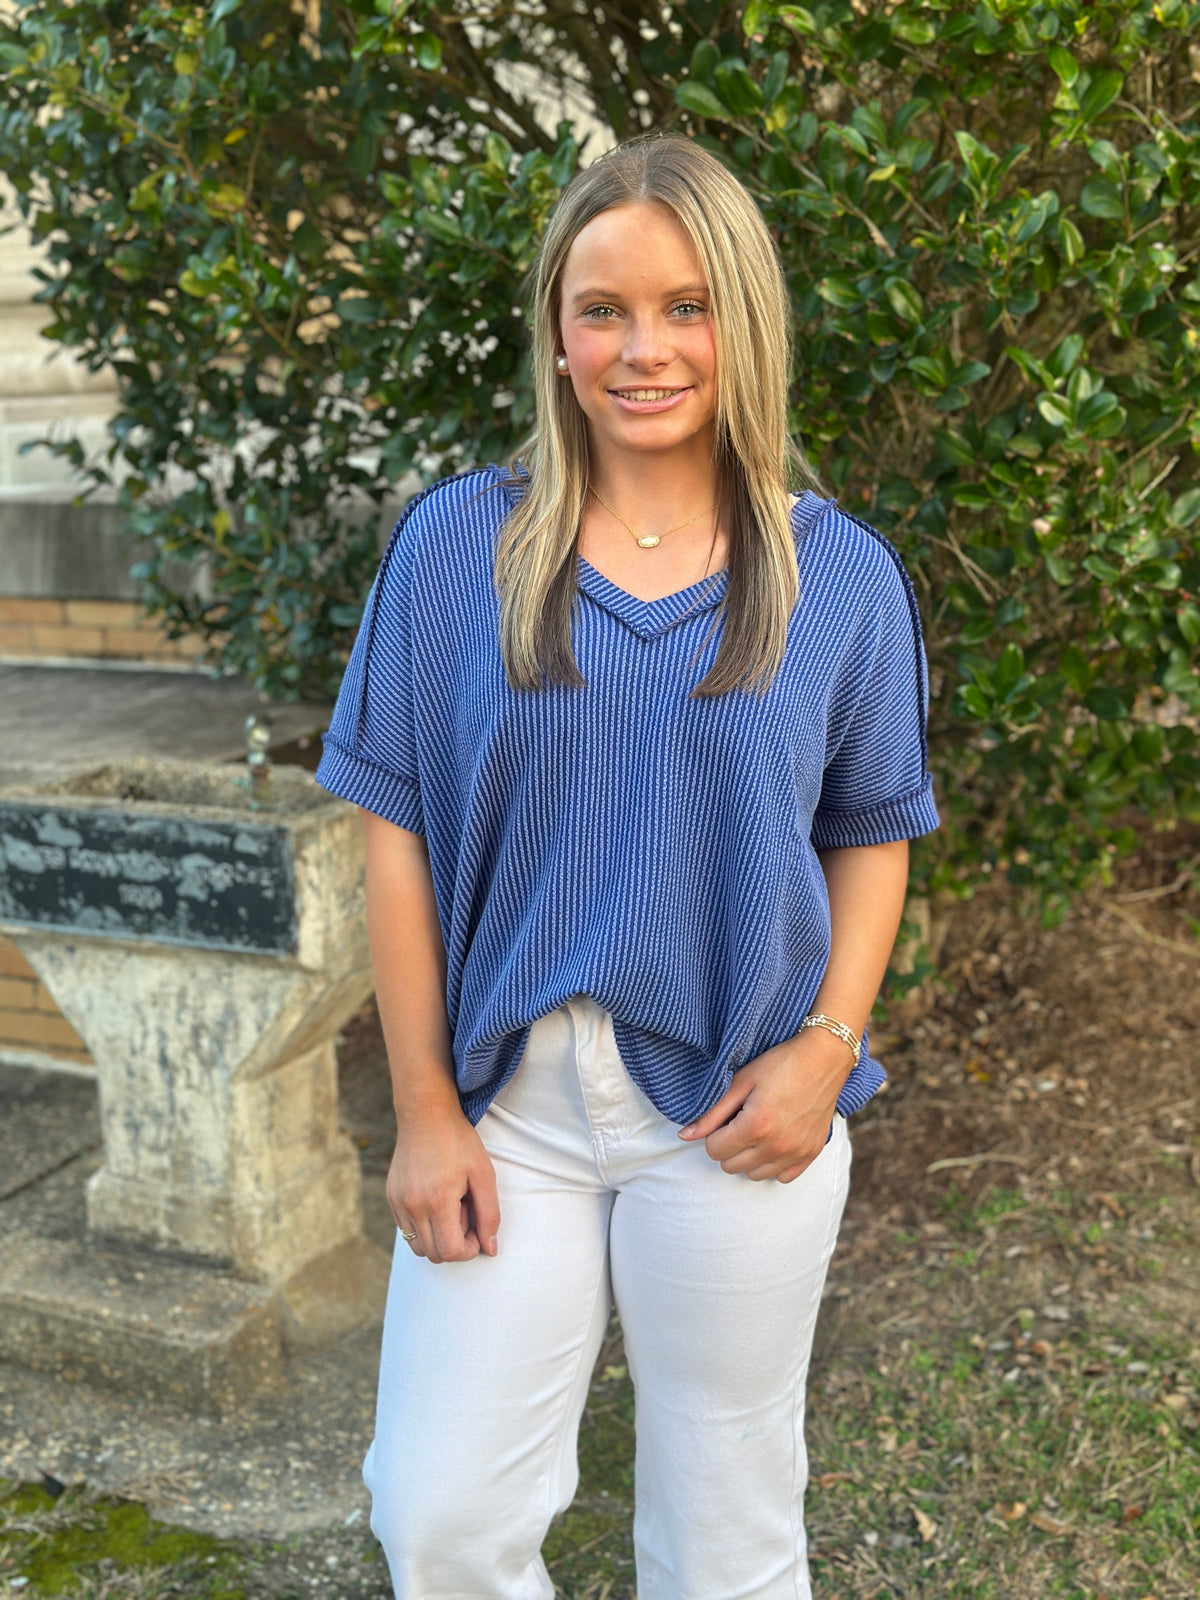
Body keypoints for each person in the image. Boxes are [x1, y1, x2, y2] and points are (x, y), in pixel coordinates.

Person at [315, 130, 940, 1600]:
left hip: (734, 1110)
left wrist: (827, 1047)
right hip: (504, 1115)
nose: (642, 348)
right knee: (441, 1518)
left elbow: (872, 832)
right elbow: (391, 830)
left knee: (727, 1534)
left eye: (685, 305)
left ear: (745, 320)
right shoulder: (456, 546)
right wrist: (421, 1113)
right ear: (556, 331)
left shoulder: (838, 574)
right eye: (602, 309)